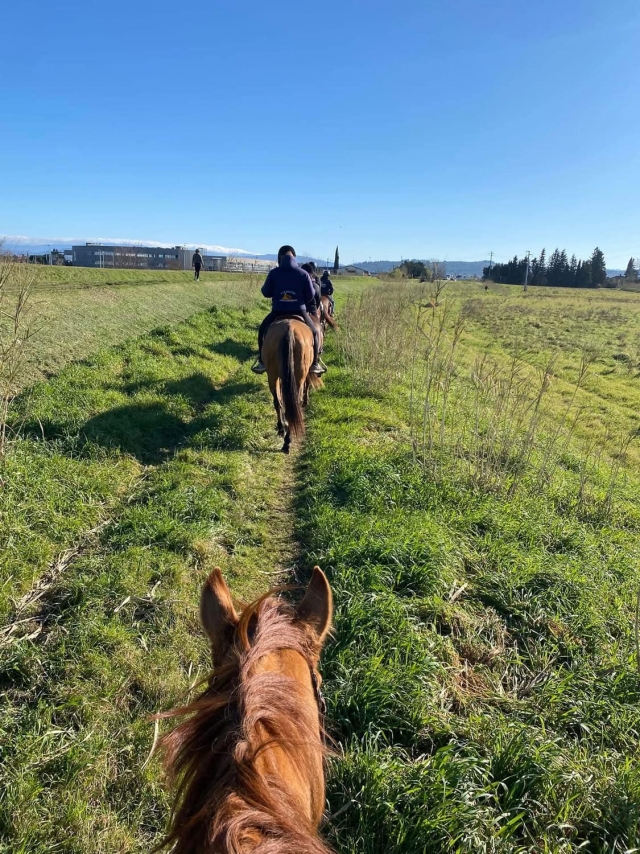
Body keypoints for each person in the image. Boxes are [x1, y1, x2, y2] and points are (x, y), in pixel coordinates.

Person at [251, 246, 325, 375]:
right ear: (294, 257)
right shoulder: (303, 274)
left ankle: (262, 361)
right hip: (299, 311)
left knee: (262, 330)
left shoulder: (274, 273)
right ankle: (315, 363)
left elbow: (266, 292)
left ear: (280, 258)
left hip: (278, 311)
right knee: (314, 332)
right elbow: (310, 296)